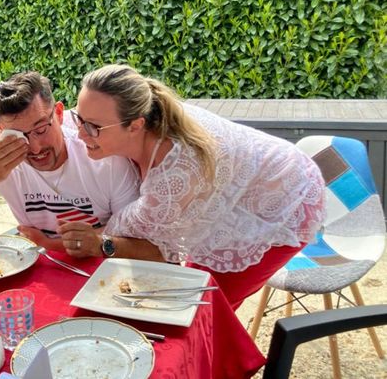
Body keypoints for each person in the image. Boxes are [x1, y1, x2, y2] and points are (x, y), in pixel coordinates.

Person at [72, 64, 326, 309]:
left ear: (135, 125)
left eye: (93, 127)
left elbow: (130, 232)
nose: (80, 133)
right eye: (78, 118)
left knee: (206, 306)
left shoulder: (175, 173)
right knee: (190, 293)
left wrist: (84, 238)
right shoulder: (151, 115)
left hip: (287, 202)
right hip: (248, 182)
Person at [0, 72, 160, 258]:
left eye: (41, 129)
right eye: (19, 135)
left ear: (59, 114)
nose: (35, 148)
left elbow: (145, 243)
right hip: (37, 267)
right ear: (1, 131)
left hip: (102, 270)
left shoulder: (103, 155)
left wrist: (93, 242)